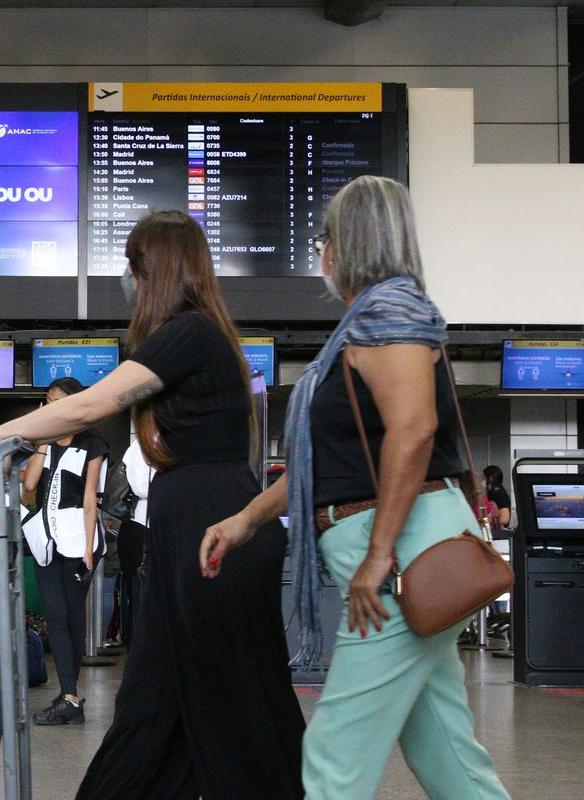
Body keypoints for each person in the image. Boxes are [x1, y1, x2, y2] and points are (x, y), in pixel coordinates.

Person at [0, 209, 304, 797]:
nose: (128, 281)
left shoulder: (189, 333)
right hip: (192, 517)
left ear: (157, 271)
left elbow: (90, 405)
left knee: (235, 699)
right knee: (159, 697)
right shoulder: (197, 336)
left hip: (209, 521)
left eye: (134, 267)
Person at [202, 176, 509, 799]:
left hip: (399, 557)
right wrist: (248, 519)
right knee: (445, 751)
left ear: (349, 243)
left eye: (326, 238)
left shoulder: (390, 313)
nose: (322, 252)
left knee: (334, 753)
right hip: (407, 547)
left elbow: (414, 431)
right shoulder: (373, 318)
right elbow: (331, 465)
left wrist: (377, 557)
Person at [20, 376, 109, 726]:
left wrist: (88, 550)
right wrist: (43, 441)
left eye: (57, 400)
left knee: (72, 616)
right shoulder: (45, 444)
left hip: (77, 539)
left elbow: (90, 499)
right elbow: (29, 484)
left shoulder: (93, 444)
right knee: (55, 615)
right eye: (47, 400)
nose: (50, 405)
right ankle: (69, 694)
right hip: (45, 540)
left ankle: (71, 696)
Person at [114, 439, 152, 647]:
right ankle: (139, 647)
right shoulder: (141, 446)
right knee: (138, 593)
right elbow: (140, 487)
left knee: (138, 593)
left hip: (140, 528)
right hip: (141, 527)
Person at [482, 464, 512, 532]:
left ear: (490, 478)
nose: (482, 481)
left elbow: (505, 519)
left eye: (483, 478)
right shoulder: (493, 494)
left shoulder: (500, 494)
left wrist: (488, 520)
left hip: (499, 534)